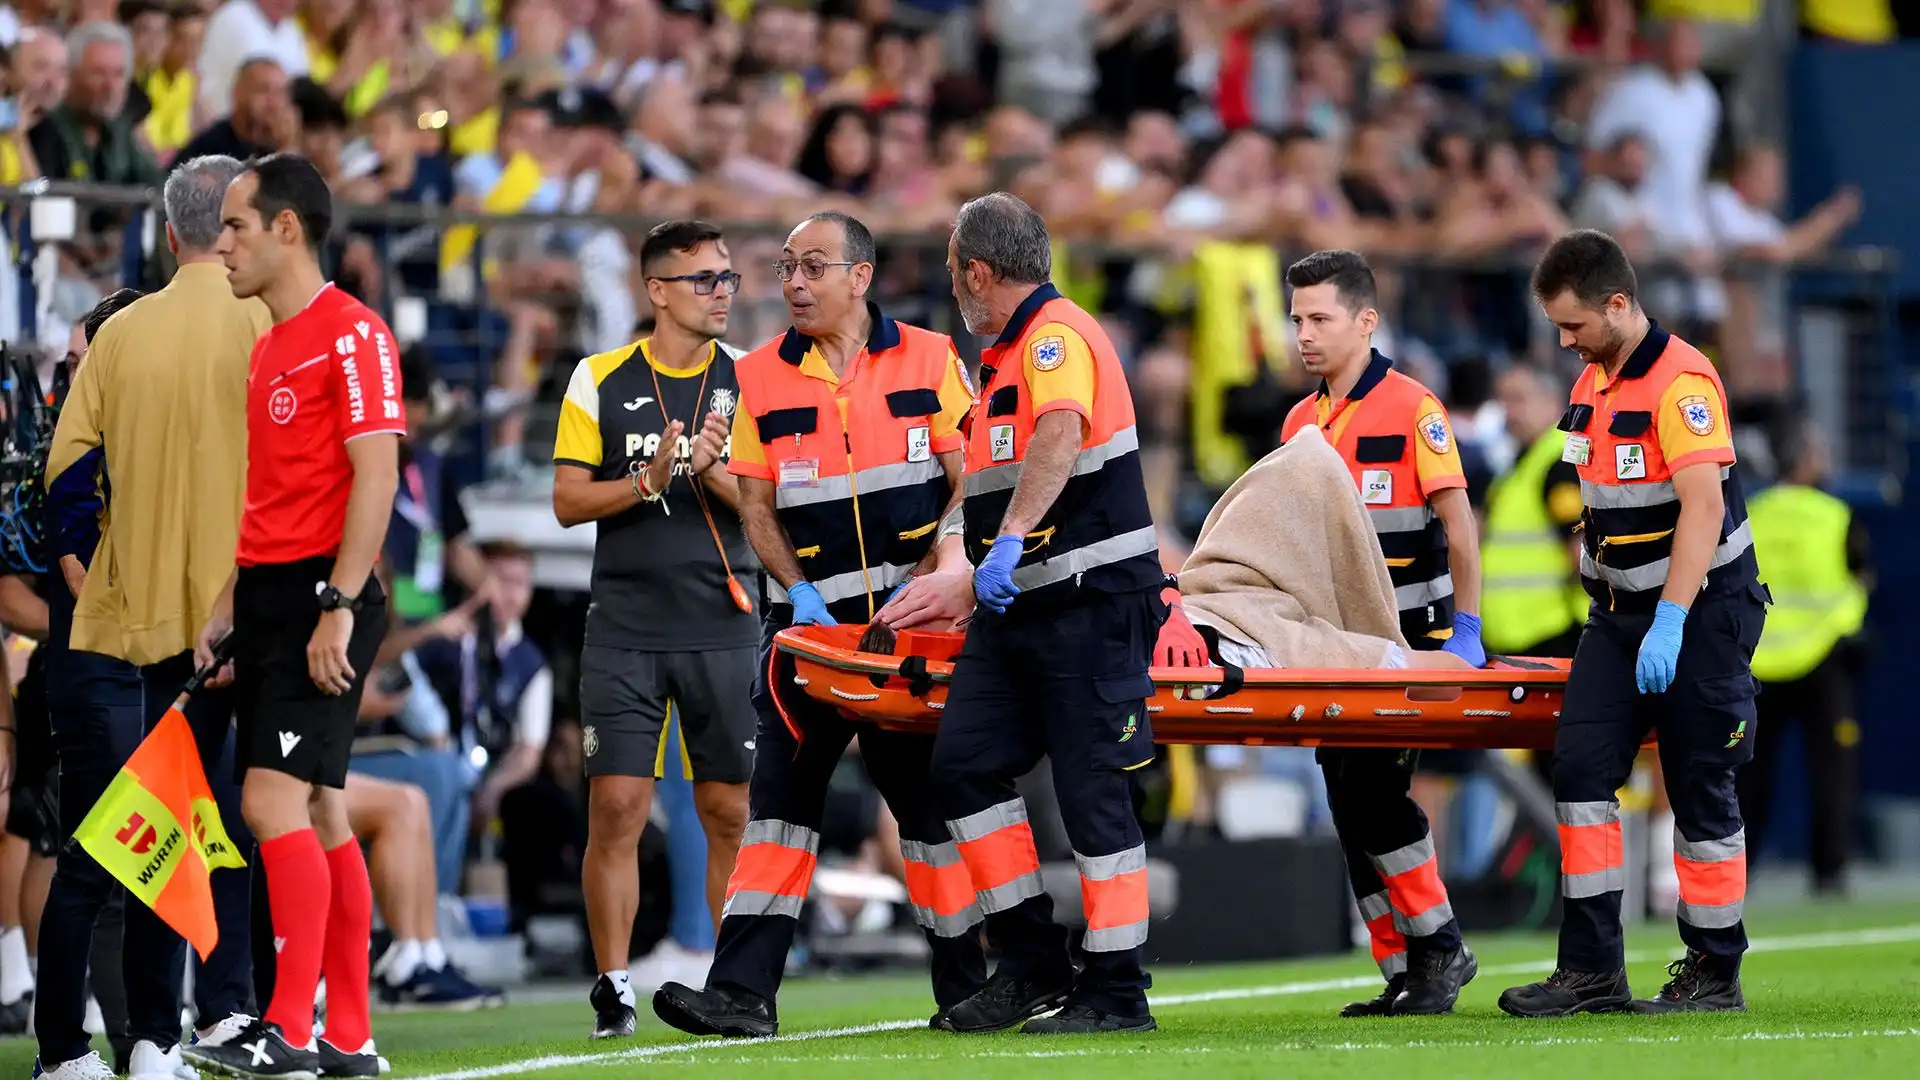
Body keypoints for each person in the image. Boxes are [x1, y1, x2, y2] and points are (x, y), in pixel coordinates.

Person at [651, 210, 987, 1039]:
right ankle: (740, 996)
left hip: (909, 639)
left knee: (926, 815)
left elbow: (973, 478)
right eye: (786, 270)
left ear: (861, 276)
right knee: (776, 813)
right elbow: (755, 506)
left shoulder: (932, 358)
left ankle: (966, 990)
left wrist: (945, 557)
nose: (794, 284)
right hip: (806, 639)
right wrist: (797, 593)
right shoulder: (758, 376)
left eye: (812, 267)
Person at [904, 191, 1165, 1036]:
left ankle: (1118, 992)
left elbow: (1059, 431)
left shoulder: (1053, 339)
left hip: (1088, 599)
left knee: (1094, 795)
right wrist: (964, 559)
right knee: (963, 766)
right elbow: (982, 482)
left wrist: (1010, 540)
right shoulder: (1004, 358)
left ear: (979, 270)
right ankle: (1032, 964)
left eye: (954, 274)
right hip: (1017, 606)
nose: (955, 291)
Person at [1499, 228, 1768, 1018]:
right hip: (1617, 620)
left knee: (1699, 790)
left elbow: (1704, 507)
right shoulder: (1591, 383)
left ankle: (1714, 972)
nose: (1563, 339)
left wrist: (1673, 619)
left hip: (1701, 614)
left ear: (1620, 304)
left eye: (1575, 324)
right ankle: (1591, 971)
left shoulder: (1683, 381)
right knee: (1580, 775)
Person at [185, 152, 403, 1079]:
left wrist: (339, 608)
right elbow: (271, 493)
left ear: (286, 228)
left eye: (235, 225)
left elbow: (377, 473)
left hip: (325, 595)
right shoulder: (270, 340)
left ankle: (289, 1030)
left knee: (265, 801)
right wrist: (232, 603)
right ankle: (347, 1036)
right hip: (273, 594)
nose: (220, 242)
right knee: (318, 811)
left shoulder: (351, 332)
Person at [549, 219, 757, 1039]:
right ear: (657, 291)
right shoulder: (597, 377)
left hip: (725, 620)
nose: (721, 293)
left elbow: (771, 511)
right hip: (626, 625)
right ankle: (613, 983)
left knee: (729, 810)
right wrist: (647, 479)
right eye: (703, 279)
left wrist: (710, 468)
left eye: (727, 278)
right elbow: (567, 502)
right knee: (619, 807)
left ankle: (736, 982)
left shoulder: (754, 379)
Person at [1273, 250, 1481, 1018]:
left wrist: (1465, 628)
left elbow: (1459, 526)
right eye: (1297, 319)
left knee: (1372, 796)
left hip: (1406, 644)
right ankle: (1404, 965)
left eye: (1320, 318)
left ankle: (1439, 944)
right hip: (1334, 647)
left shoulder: (1412, 407)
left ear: (1366, 321)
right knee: (1349, 800)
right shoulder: (1300, 423)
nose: (1304, 334)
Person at [1737, 417, 1869, 896]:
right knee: (1831, 769)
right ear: (1809, 461)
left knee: (1750, 773)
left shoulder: (1754, 512)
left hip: (1760, 660)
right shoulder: (1835, 514)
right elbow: (1860, 576)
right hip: (1823, 656)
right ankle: (1830, 870)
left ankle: (1739, 868)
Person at [1482, 364, 1588, 662]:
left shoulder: (1559, 464)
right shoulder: (1524, 461)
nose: (1508, 411)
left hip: (1553, 632)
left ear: (1551, 403)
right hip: (1523, 634)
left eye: (1518, 400)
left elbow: (1581, 550)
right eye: (1503, 400)